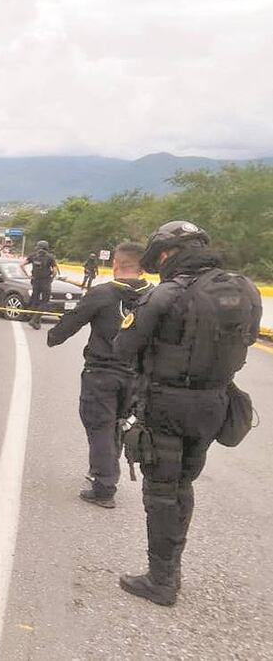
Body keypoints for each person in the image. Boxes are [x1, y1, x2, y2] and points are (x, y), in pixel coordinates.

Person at [114, 220, 263, 606]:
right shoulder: (243, 288)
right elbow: (248, 338)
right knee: (183, 484)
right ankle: (171, 567)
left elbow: (123, 347)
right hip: (214, 404)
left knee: (162, 490)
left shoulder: (166, 295)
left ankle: (162, 580)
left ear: (166, 254)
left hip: (167, 405)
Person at [47, 242, 152, 508]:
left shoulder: (102, 293)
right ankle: (106, 470)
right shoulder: (156, 296)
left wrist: (54, 336)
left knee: (100, 426)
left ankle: (104, 485)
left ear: (115, 264)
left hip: (103, 372)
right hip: (137, 375)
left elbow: (72, 321)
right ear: (142, 267)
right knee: (119, 423)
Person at [20, 240, 58, 330]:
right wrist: (51, 278)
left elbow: (21, 265)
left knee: (35, 301)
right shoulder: (50, 257)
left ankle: (36, 321)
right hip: (45, 281)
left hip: (35, 281)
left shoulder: (33, 256)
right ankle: (34, 320)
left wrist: (28, 275)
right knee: (45, 302)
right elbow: (55, 271)